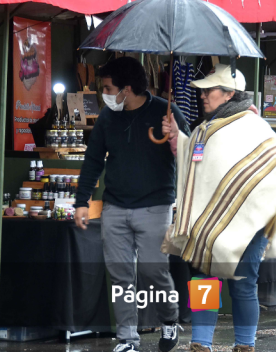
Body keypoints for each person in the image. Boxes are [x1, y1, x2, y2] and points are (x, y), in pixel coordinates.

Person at [161, 64, 276, 352]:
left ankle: (245, 346)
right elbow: (195, 163)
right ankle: (201, 344)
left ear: (229, 93)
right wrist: (176, 137)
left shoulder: (252, 124)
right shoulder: (204, 129)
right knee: (204, 281)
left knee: (243, 285)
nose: (203, 96)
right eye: (203, 90)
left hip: (249, 224)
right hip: (210, 222)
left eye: (210, 90)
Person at [73, 57, 190, 352]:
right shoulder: (107, 118)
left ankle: (169, 320)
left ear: (127, 89)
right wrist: (82, 200)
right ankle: (127, 339)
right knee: (121, 276)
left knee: (153, 271)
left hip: (155, 207)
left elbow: (194, 157)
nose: (105, 93)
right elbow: (93, 160)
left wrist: (177, 134)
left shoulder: (167, 112)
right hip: (114, 207)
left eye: (109, 88)